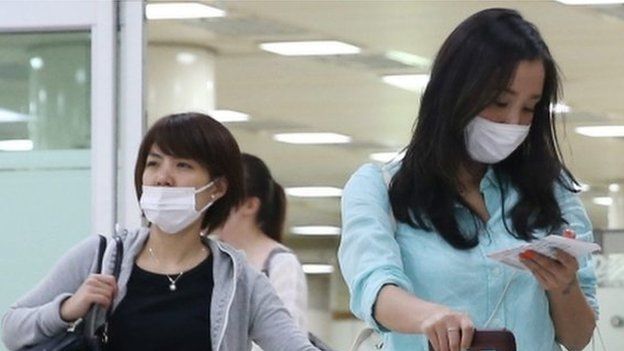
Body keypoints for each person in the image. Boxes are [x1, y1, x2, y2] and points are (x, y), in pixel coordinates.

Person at [338, 8, 598, 351]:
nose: (512, 121)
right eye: (500, 102)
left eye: (529, 108)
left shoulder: (553, 192)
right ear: (454, 93)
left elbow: (578, 338)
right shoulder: (380, 189)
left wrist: (563, 285)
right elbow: (374, 288)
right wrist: (428, 317)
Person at [1, 112, 317, 351]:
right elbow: (11, 327)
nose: (162, 178)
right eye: (153, 163)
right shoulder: (100, 257)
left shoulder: (241, 281)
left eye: (183, 166)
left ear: (217, 188)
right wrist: (67, 309)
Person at [218, 153, 308, 331]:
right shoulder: (208, 254)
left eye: (222, 197)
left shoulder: (281, 263)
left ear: (250, 205)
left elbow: (287, 335)